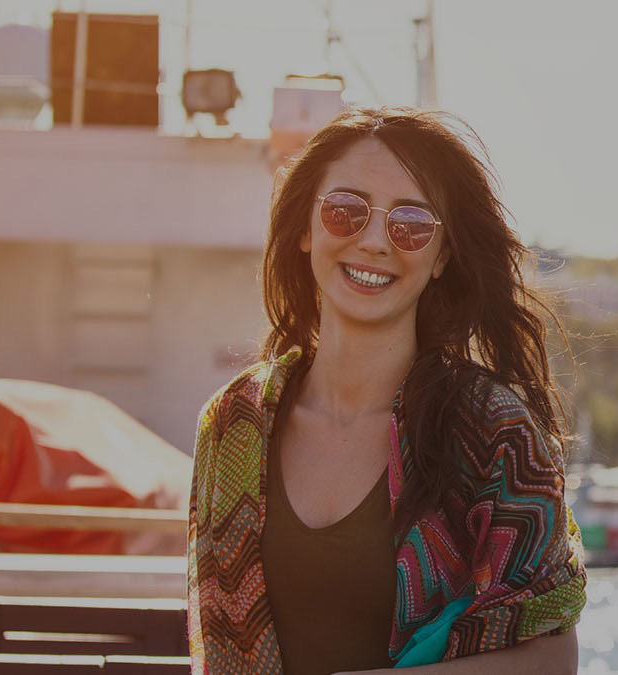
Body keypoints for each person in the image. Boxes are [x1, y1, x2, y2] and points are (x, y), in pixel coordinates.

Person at [187, 107, 587, 674]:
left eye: (412, 223)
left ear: (442, 254)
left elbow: (552, 659)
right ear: (305, 227)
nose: (375, 241)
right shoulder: (233, 423)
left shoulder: (492, 432)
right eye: (345, 211)